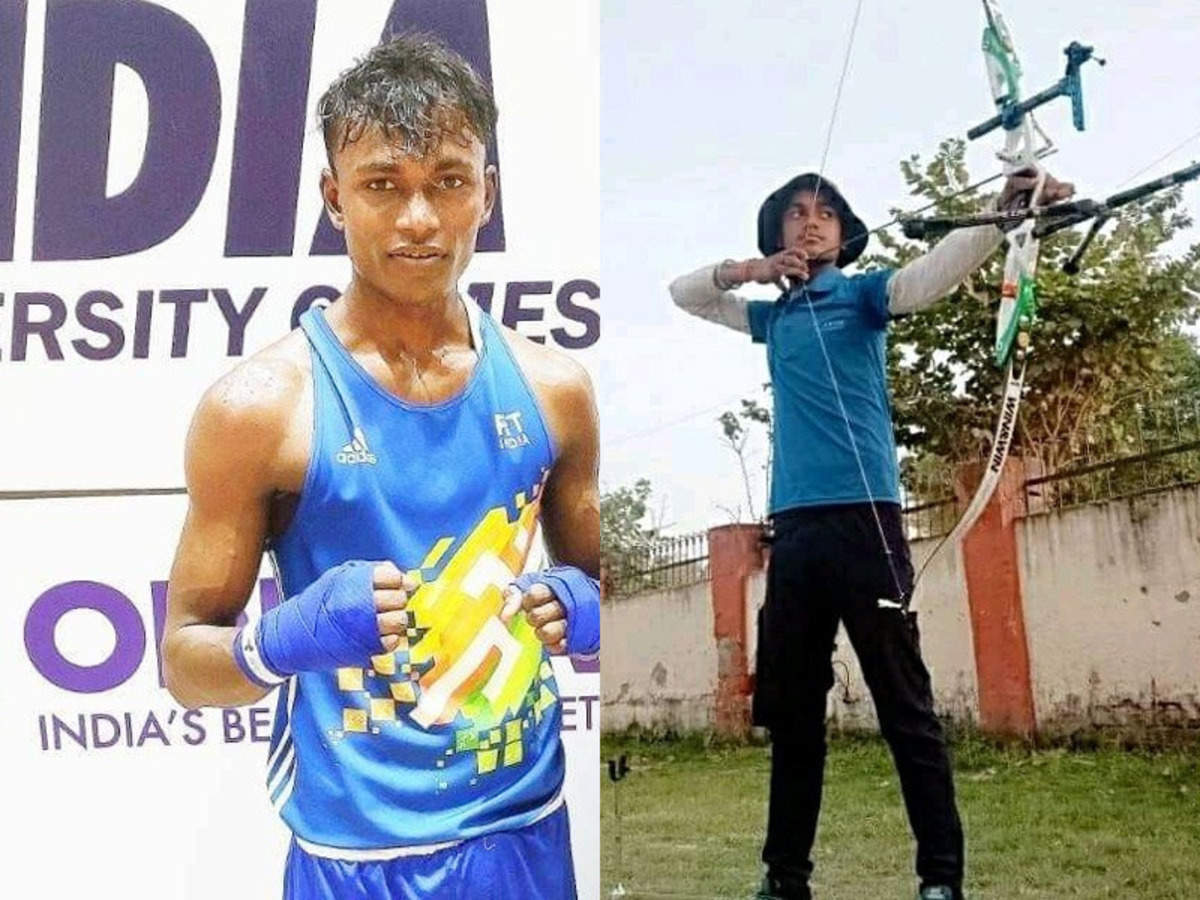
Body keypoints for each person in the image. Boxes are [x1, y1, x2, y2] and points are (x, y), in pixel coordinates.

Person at [162, 34, 599, 900]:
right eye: (381, 185)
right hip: (353, 853)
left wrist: (587, 607)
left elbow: (602, 578)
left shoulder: (556, 390)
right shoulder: (259, 409)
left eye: (447, 180)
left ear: (486, 193)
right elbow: (183, 662)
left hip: (525, 824)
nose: (418, 219)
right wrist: (274, 640)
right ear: (334, 197)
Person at [669, 169, 1073, 900]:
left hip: (867, 525)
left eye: (825, 214)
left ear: (843, 232)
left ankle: (941, 881)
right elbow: (685, 293)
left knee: (905, 708)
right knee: (795, 719)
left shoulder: (861, 296)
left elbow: (931, 276)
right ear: (778, 234)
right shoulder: (773, 318)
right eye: (795, 214)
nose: (810, 223)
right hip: (793, 533)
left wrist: (1006, 212)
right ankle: (785, 878)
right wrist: (752, 271)